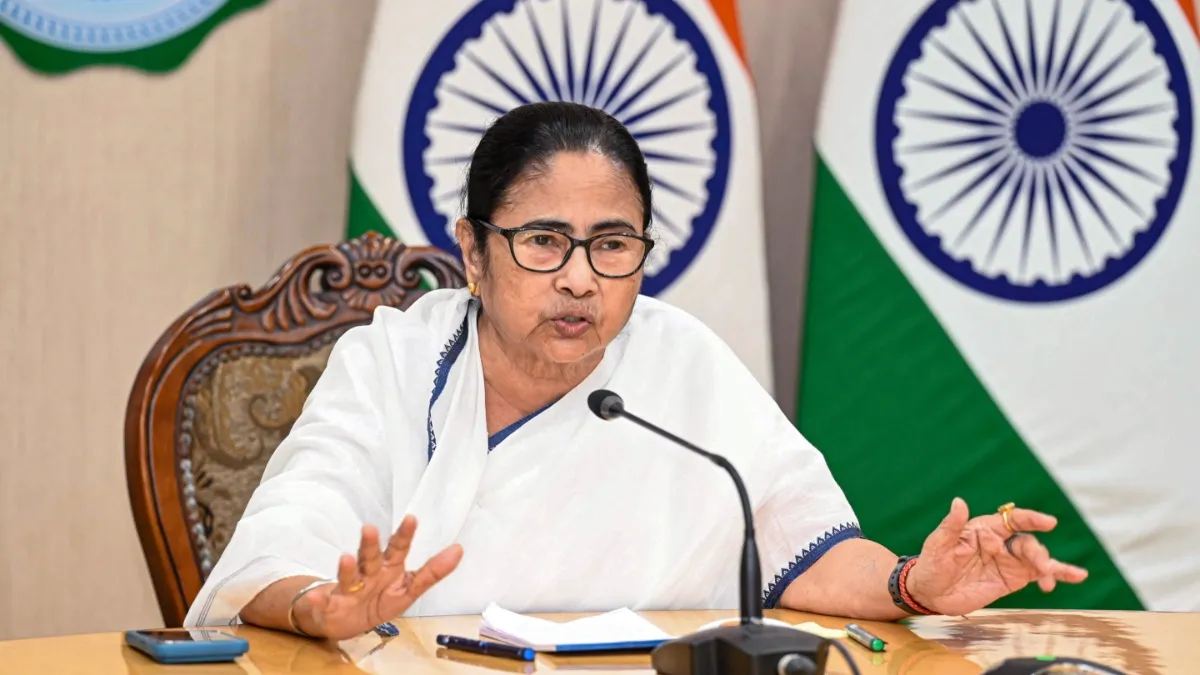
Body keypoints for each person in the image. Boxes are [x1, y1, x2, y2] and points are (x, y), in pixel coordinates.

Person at [186, 102, 1087, 640]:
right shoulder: (393, 361)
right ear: (472, 249)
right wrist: (322, 608)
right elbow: (278, 543)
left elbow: (795, 543)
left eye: (612, 244)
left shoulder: (679, 362)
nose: (581, 277)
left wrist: (912, 584)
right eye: (544, 242)